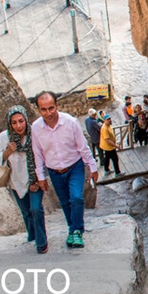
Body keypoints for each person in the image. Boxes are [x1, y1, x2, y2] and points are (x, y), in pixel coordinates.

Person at [32, 91, 99, 249]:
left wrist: (93, 167)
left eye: (51, 108)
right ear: (38, 110)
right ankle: (73, 230)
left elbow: (83, 147)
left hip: (74, 166)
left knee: (76, 198)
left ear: (57, 106)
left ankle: (77, 231)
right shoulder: (36, 128)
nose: (48, 113)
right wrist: (41, 176)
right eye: (44, 109)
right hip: (54, 170)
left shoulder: (70, 122)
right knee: (64, 202)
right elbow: (38, 153)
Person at [0, 106, 47, 254]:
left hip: (34, 180)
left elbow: (44, 155)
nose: (18, 126)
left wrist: (36, 180)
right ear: (10, 124)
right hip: (16, 181)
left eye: (21, 121)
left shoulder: (35, 133)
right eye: (14, 122)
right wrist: (8, 151)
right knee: (26, 212)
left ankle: (41, 243)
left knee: (36, 209)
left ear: (26, 120)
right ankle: (32, 237)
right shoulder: (5, 137)